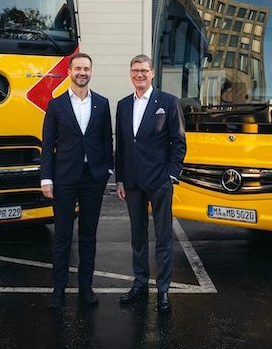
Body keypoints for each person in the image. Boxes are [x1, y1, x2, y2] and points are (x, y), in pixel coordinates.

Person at [40, 53, 113, 310]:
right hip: (64, 179)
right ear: (69, 71)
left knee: (88, 235)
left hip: (93, 178)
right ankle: (58, 290)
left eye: (86, 68)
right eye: (78, 68)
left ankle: (86, 288)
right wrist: (46, 178)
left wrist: (108, 169)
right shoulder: (56, 105)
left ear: (91, 72)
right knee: (62, 236)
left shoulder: (102, 103)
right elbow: (48, 144)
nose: (82, 72)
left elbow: (106, 139)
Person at [115, 54, 186, 313]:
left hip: (159, 181)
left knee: (164, 237)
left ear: (152, 73)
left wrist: (171, 175)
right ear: (130, 74)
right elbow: (122, 145)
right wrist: (120, 179)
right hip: (132, 182)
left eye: (144, 70)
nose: (139, 74)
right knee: (138, 236)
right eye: (135, 70)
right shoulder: (123, 105)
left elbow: (179, 142)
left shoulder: (168, 102)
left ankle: (163, 290)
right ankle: (140, 284)